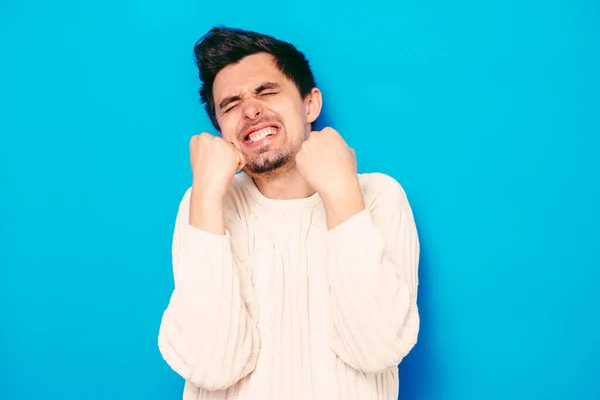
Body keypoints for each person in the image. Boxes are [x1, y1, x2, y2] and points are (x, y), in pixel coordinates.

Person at [158, 26, 420, 400]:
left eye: (267, 92)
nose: (249, 110)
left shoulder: (378, 196)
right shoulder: (204, 203)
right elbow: (211, 367)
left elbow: (376, 350)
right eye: (230, 106)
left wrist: (341, 192)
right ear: (221, 132)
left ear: (310, 104)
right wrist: (205, 198)